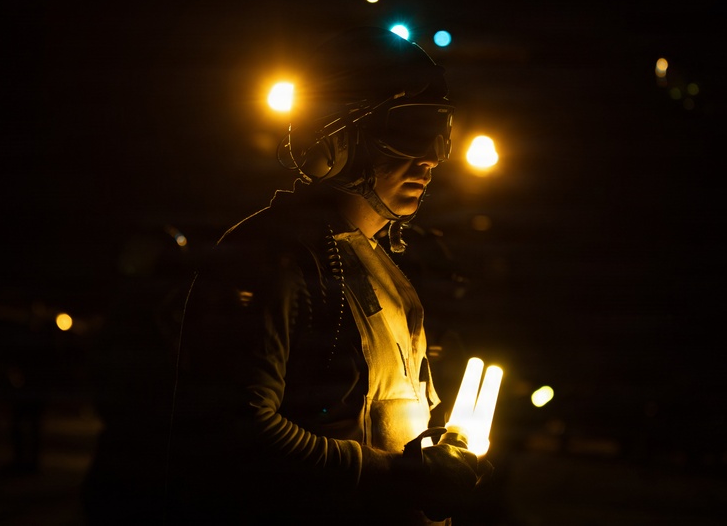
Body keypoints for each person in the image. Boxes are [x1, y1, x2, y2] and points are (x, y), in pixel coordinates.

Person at [165, 27, 490, 525]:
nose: (430, 157)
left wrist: (445, 457)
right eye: (408, 130)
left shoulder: (382, 268)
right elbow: (236, 430)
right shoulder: (272, 256)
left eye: (439, 131)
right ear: (335, 139)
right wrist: (399, 476)